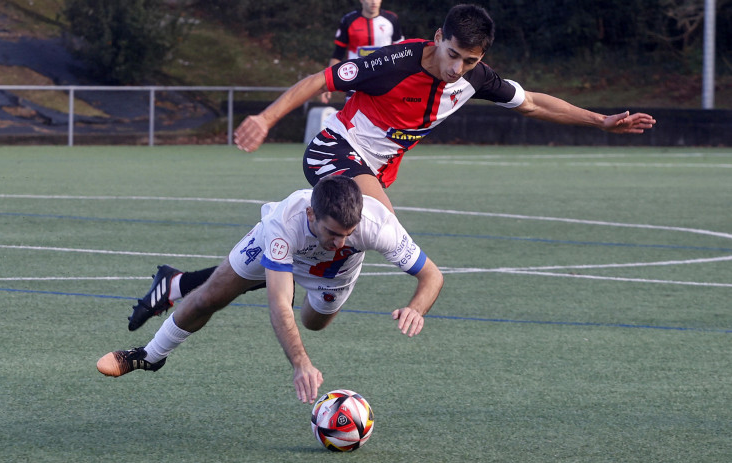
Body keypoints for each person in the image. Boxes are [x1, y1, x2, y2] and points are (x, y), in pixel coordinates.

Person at [125, 4, 657, 332]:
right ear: (437, 37)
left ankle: (179, 286)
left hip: (374, 169)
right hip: (334, 152)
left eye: (469, 61)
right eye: (452, 54)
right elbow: (319, 80)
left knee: (319, 289)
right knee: (381, 232)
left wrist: (601, 121)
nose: (457, 69)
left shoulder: (475, 78)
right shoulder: (392, 62)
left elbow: (534, 102)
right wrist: (264, 118)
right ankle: (192, 290)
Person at [98, 176, 444, 404]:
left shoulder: (377, 225)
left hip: (333, 278)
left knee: (314, 323)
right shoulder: (284, 222)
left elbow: (432, 277)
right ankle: (149, 355)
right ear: (312, 213)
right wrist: (301, 364)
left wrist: (416, 307)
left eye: (348, 234)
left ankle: (267, 275)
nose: (341, 242)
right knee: (210, 297)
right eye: (333, 233)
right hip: (274, 248)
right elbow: (280, 306)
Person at [320, 0, 404, 103]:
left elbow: (401, 53)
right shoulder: (348, 20)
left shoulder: (392, 19)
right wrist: (327, 83)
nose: (374, 2)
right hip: (356, 79)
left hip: (384, 80)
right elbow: (338, 54)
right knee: (352, 117)